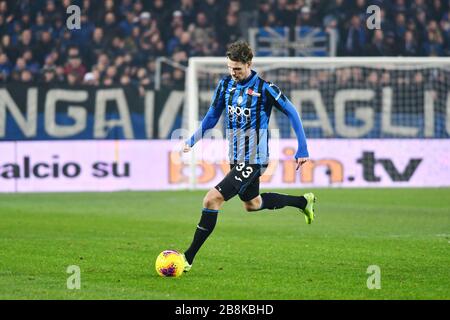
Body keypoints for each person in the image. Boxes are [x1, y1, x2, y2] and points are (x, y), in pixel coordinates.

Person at [181, 41, 316, 272]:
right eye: (230, 68)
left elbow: (292, 112)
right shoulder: (225, 85)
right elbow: (212, 117)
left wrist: (302, 148)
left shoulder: (266, 88)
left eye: (238, 69)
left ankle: (187, 258)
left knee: (211, 199)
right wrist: (192, 140)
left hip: (255, 158)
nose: (233, 73)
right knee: (252, 204)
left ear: (249, 64)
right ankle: (303, 202)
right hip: (235, 157)